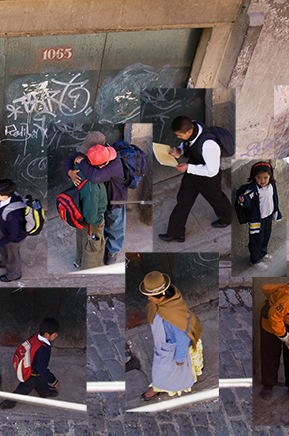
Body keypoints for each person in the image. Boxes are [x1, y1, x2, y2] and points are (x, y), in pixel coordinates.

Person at [159, 116, 232, 243]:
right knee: (183, 200)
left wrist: (188, 167)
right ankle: (176, 233)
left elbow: (212, 171)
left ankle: (227, 218)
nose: (178, 137)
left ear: (188, 132)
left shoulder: (209, 145)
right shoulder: (192, 126)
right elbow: (187, 143)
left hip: (209, 178)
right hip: (192, 172)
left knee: (216, 198)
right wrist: (179, 150)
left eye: (179, 135)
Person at [63, 131, 127, 265]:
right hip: (99, 200)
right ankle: (102, 244)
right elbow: (69, 160)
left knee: (116, 225)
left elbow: (94, 177)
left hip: (116, 198)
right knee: (101, 226)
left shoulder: (114, 162)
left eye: (87, 154)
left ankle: (112, 251)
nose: (84, 155)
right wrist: (70, 172)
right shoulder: (90, 157)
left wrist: (81, 163)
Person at [139, 271, 203, 401]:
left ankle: (157, 387)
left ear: (161, 296)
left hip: (172, 349)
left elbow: (182, 339)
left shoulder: (171, 317)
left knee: (163, 373)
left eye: (150, 296)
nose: (148, 299)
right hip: (166, 344)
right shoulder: (172, 298)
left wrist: (179, 358)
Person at [0, 318, 60, 410]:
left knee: (40, 381)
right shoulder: (43, 349)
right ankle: (8, 403)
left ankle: (45, 392)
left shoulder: (35, 336)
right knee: (24, 389)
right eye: (55, 334)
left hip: (32, 367)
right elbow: (42, 370)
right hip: (32, 372)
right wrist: (54, 381)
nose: (57, 335)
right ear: (47, 335)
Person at [235, 162, 282, 271]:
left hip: (268, 217)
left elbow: (275, 198)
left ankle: (262, 253)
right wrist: (242, 200)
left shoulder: (271, 185)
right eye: (259, 177)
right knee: (256, 239)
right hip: (257, 220)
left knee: (266, 236)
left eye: (265, 177)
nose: (262, 180)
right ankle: (255, 260)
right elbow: (246, 198)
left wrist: (276, 211)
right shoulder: (253, 189)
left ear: (270, 176)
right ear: (254, 177)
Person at [75, 146, 109, 269]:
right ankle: (89, 269)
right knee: (93, 246)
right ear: (101, 166)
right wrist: (100, 221)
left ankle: (78, 261)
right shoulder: (92, 188)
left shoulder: (79, 167)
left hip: (79, 214)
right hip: (92, 219)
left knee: (82, 239)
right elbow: (90, 216)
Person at [0, 179, 27, 282]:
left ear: (5, 197)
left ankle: (14, 275)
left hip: (15, 237)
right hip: (6, 227)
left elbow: (12, 235)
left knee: (13, 256)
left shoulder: (12, 215)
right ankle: (4, 260)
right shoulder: (9, 197)